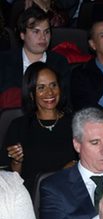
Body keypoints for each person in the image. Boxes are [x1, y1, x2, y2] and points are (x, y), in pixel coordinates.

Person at [3, 63, 76, 193]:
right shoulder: (19, 126)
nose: (50, 92)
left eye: (53, 85)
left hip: (72, 192)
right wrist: (16, 162)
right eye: (41, 88)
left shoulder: (76, 122)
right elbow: (12, 182)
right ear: (31, 94)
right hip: (33, 198)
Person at [0, 7, 71, 110]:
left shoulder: (59, 62)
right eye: (36, 32)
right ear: (22, 35)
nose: (43, 37)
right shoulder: (4, 61)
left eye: (46, 32)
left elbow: (65, 103)